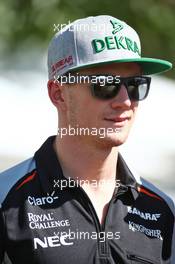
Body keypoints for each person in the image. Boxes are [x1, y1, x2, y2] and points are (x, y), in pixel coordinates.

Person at [0, 15, 174, 264]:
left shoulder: (161, 209)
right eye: (105, 84)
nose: (125, 101)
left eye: (135, 85)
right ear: (58, 94)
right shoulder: (7, 202)